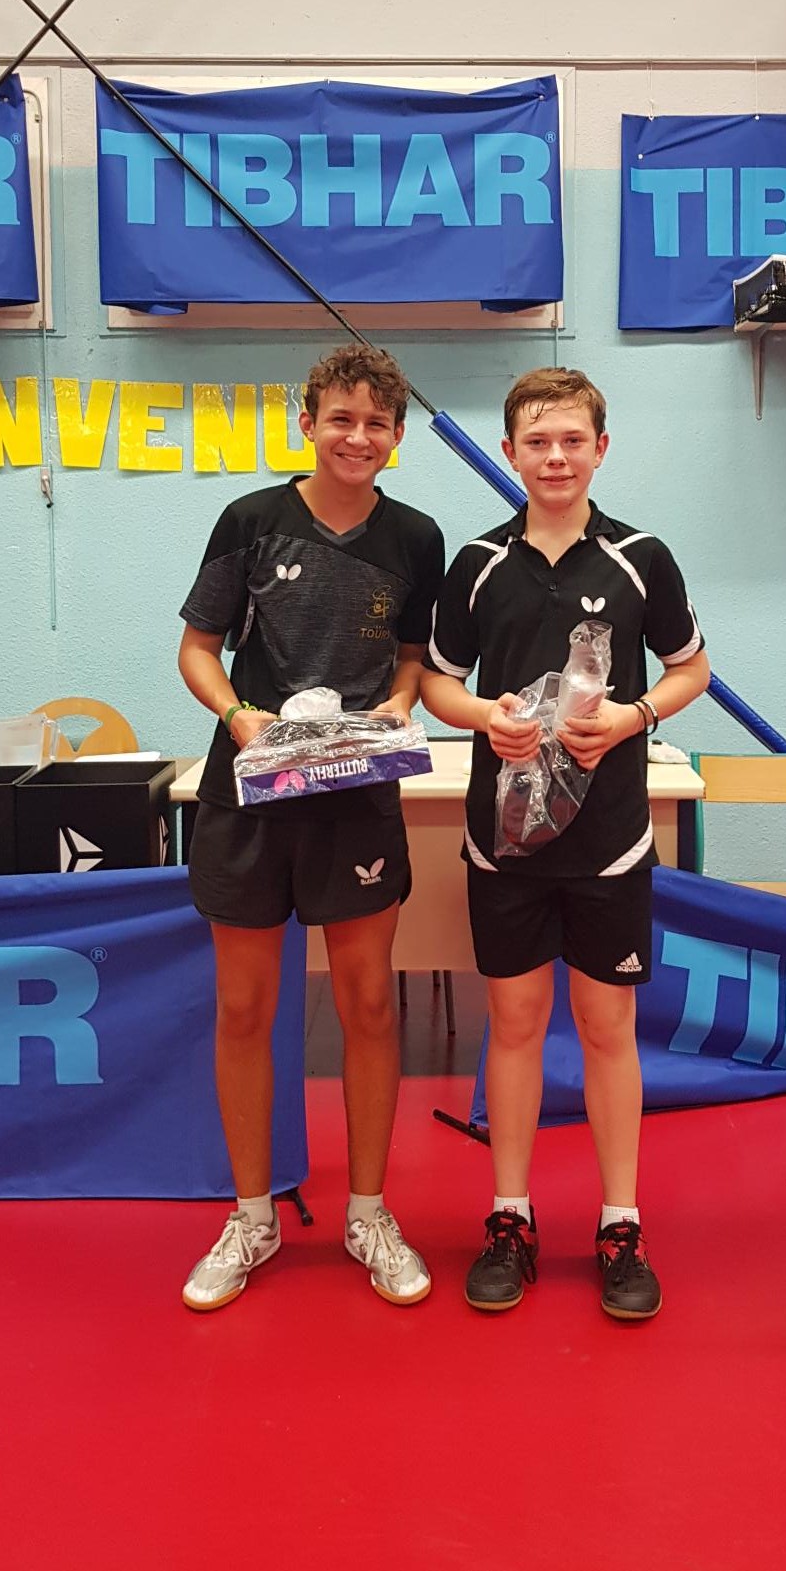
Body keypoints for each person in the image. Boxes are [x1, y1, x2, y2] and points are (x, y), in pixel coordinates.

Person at [422, 367, 709, 1319]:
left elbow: (692, 669)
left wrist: (633, 716)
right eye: (537, 442)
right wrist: (486, 717)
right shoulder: (477, 562)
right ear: (509, 453)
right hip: (503, 844)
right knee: (512, 1025)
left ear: (600, 449)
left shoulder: (641, 559)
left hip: (611, 842)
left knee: (606, 1028)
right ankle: (510, 1217)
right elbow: (437, 682)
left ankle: (621, 1223)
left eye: (572, 440)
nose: (555, 457)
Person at [177, 344, 444, 1312]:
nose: (356, 437)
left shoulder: (415, 537)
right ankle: (251, 1215)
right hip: (249, 795)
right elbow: (197, 649)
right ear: (308, 423)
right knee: (245, 1010)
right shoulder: (249, 520)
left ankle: (368, 1213)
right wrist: (239, 717)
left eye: (375, 423)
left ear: (396, 437)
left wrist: (400, 704)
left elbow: (412, 657)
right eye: (340, 418)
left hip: (355, 794)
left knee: (369, 1004)